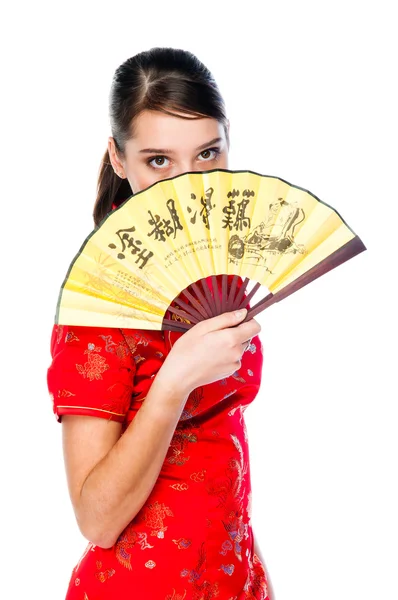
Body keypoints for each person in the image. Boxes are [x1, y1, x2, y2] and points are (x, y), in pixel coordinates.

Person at [47, 46, 273, 600]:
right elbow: (96, 520)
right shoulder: (99, 301)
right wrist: (174, 381)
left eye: (207, 154)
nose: (188, 183)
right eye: (157, 161)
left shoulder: (220, 269)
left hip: (231, 576)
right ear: (118, 159)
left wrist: (255, 574)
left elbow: (224, 450)